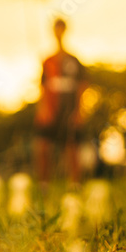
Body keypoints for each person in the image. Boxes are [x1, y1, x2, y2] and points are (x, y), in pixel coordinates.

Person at [34, 17, 87, 189]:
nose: (58, 32)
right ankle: (44, 184)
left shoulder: (74, 60)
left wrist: (79, 110)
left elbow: (82, 85)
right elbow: (42, 87)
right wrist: (43, 109)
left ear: (65, 30)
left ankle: (75, 184)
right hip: (51, 109)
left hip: (69, 108)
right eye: (56, 29)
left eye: (61, 29)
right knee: (43, 147)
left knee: (72, 146)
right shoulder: (48, 61)